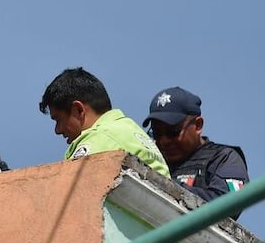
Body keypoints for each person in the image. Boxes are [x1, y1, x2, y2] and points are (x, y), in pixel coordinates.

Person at [38, 67, 169, 176]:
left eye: (58, 119)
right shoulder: (127, 130)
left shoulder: (100, 139)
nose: (57, 130)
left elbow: (70, 190)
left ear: (78, 110)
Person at [142, 86, 249, 217]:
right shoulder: (152, 157)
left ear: (198, 125)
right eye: (157, 134)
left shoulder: (223, 158)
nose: (164, 141)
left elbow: (229, 204)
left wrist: (166, 185)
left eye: (173, 132)